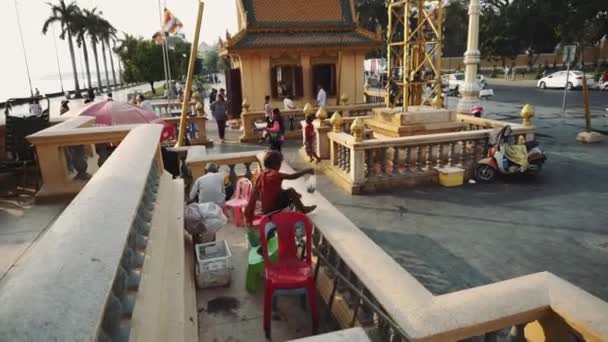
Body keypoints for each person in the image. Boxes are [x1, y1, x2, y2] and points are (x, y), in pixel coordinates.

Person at [244, 151, 316, 226]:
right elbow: (292, 177)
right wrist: (306, 171)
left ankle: (297, 203)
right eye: (280, 164)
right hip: (273, 207)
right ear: (276, 164)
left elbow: (257, 193)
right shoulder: (274, 174)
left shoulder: (262, 175)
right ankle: (303, 210)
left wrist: (249, 213)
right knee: (291, 191)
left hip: (266, 207)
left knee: (293, 194)